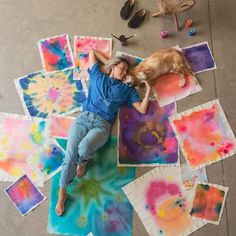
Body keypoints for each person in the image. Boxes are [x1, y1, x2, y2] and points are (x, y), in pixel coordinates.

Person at [55, 49, 152, 216]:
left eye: (125, 70)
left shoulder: (127, 90)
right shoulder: (98, 75)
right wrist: (113, 62)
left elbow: (142, 110)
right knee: (70, 155)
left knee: (84, 148)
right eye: (120, 68)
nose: (124, 72)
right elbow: (92, 52)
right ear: (111, 67)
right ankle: (62, 193)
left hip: (102, 125)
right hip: (83, 118)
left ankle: (84, 161)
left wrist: (148, 89)